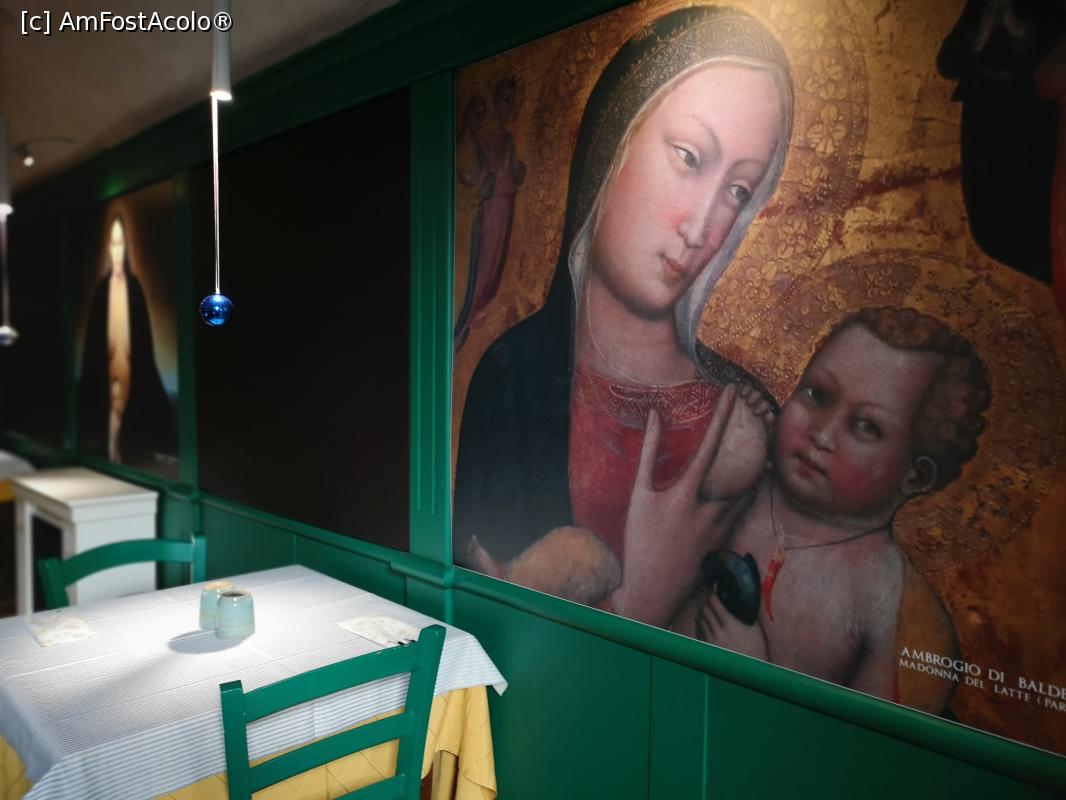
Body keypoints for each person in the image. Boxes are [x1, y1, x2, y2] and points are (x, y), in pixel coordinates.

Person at [453, 5, 794, 629]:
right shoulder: (511, 378)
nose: (701, 227)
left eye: (738, 191)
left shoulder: (748, 416)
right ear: (613, 142)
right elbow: (484, 616)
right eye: (688, 157)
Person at [676, 306, 989, 705]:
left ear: (916, 476)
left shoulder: (899, 610)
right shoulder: (741, 479)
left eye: (867, 427)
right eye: (817, 395)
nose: (821, 435)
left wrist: (757, 675)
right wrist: (720, 468)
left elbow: (867, 740)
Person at [78, 214, 177, 469]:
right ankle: (113, 454)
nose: (117, 249)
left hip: (130, 365)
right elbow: (94, 341)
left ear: (126, 247)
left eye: (121, 243)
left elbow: (142, 338)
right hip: (107, 365)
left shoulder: (134, 287)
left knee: (127, 411)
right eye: (113, 243)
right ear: (108, 247)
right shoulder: (102, 289)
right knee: (112, 409)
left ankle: (118, 454)